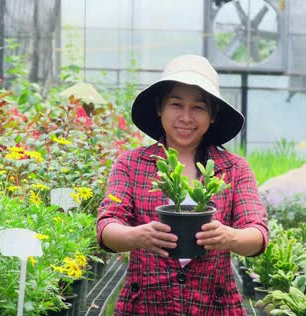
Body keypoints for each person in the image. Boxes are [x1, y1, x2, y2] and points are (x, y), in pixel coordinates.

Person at [96, 54, 268, 315]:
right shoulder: (131, 164)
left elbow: (257, 235)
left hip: (215, 306)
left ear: (212, 115)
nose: (186, 117)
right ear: (159, 108)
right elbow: (107, 226)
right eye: (176, 104)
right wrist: (138, 236)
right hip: (146, 306)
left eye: (198, 107)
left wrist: (229, 236)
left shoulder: (234, 169)